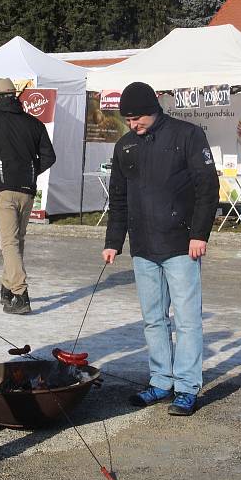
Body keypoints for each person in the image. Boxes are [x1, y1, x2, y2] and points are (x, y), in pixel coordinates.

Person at [101, 82, 219, 416]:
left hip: (182, 244)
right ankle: (160, 381)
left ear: (153, 109)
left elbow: (208, 187)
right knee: (153, 319)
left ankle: (186, 387)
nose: (132, 125)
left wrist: (199, 234)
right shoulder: (125, 146)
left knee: (186, 319)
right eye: (127, 119)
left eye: (137, 118)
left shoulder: (188, 135)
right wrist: (113, 241)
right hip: (143, 246)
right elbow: (119, 198)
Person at [0, 78, 56, 314]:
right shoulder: (33, 123)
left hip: (3, 188)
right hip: (27, 188)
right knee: (16, 241)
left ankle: (20, 293)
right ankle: (7, 287)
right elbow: (49, 157)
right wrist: (31, 170)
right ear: (14, 96)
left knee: (9, 242)